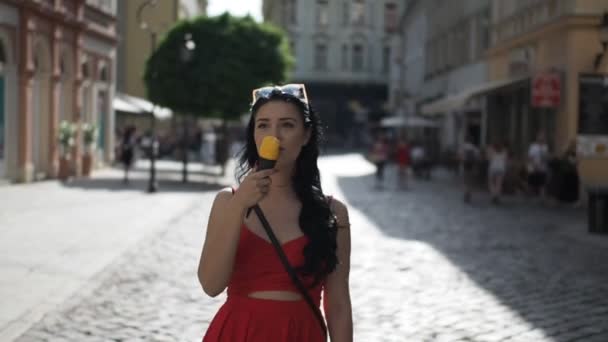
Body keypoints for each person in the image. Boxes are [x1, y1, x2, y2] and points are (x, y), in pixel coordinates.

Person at [198, 84, 353, 341]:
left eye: (287, 125)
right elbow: (210, 285)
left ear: (305, 136)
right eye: (263, 125)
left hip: (301, 333)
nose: (274, 136)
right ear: (254, 135)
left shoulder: (332, 212)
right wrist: (239, 207)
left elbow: (338, 306)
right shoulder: (228, 202)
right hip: (239, 332)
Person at [527, 131, 550, 201]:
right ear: (537, 138)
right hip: (534, 166)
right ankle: (530, 195)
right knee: (532, 182)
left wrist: (545, 156)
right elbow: (530, 157)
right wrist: (534, 165)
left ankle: (542, 197)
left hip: (542, 167)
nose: (541, 138)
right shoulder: (533, 146)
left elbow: (546, 157)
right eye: (540, 137)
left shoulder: (545, 147)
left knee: (542, 183)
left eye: (543, 137)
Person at [461, 137, 480, 203]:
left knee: (465, 180)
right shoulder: (475, 148)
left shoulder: (464, 147)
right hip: (472, 166)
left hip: (465, 165)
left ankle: (466, 192)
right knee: (470, 181)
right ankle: (469, 192)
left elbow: (461, 156)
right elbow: (477, 158)